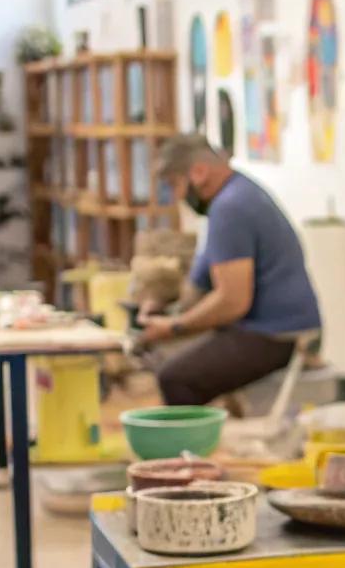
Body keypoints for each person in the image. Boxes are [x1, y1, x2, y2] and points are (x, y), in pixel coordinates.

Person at [137, 135, 321, 405]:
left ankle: (193, 446)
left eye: (175, 185)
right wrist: (163, 306)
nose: (177, 196)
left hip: (278, 335)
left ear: (198, 173)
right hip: (267, 327)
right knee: (169, 356)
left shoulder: (230, 208)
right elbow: (201, 283)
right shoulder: (234, 195)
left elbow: (233, 302)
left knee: (176, 378)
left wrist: (174, 327)